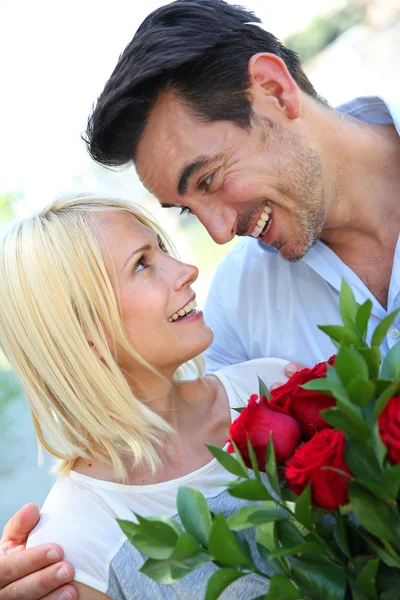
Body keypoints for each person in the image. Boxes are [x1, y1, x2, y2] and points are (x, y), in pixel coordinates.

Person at [2, 0, 400, 595]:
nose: (213, 237)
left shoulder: (254, 371)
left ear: (273, 88)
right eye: (187, 210)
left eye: (209, 179)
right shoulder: (241, 308)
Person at [0, 195, 289, 599]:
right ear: (85, 329)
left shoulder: (274, 388)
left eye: (162, 249)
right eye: (141, 264)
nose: (187, 271)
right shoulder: (73, 551)